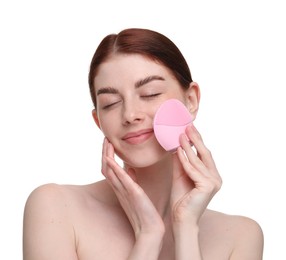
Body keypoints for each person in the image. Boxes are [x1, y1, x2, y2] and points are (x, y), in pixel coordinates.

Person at [23, 28, 264, 260]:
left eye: (149, 93)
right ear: (98, 121)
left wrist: (187, 229)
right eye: (110, 103)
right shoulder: (55, 207)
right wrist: (148, 237)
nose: (130, 114)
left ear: (190, 100)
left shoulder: (241, 236)